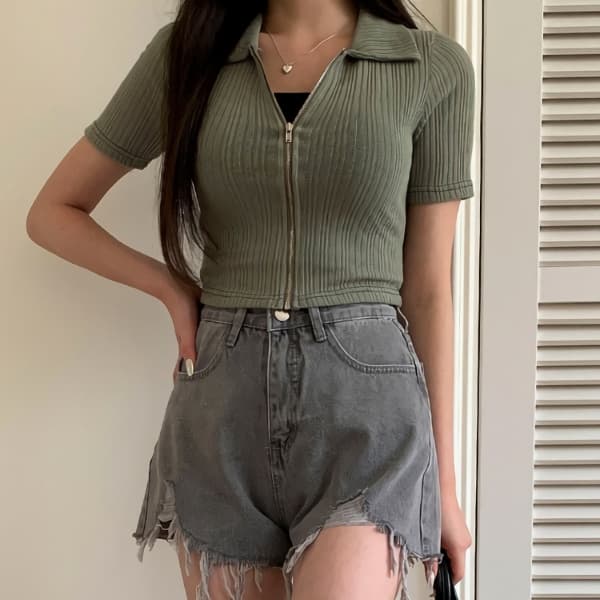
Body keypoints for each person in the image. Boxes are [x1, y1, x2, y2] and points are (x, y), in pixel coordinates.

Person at [26, 1, 475, 599]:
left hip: (367, 418)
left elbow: (428, 289)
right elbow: (53, 213)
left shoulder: (430, 66)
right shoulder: (188, 56)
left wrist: (444, 489)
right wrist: (171, 286)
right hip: (221, 412)